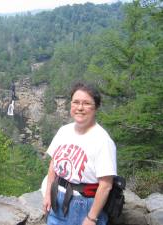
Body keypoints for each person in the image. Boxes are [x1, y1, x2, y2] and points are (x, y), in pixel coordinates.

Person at [43, 82, 117, 225]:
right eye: (76, 102)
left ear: (96, 107)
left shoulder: (103, 141)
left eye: (86, 103)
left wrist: (91, 218)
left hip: (84, 204)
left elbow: (106, 185)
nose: (80, 108)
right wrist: (48, 194)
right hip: (57, 198)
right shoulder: (64, 131)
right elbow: (53, 164)